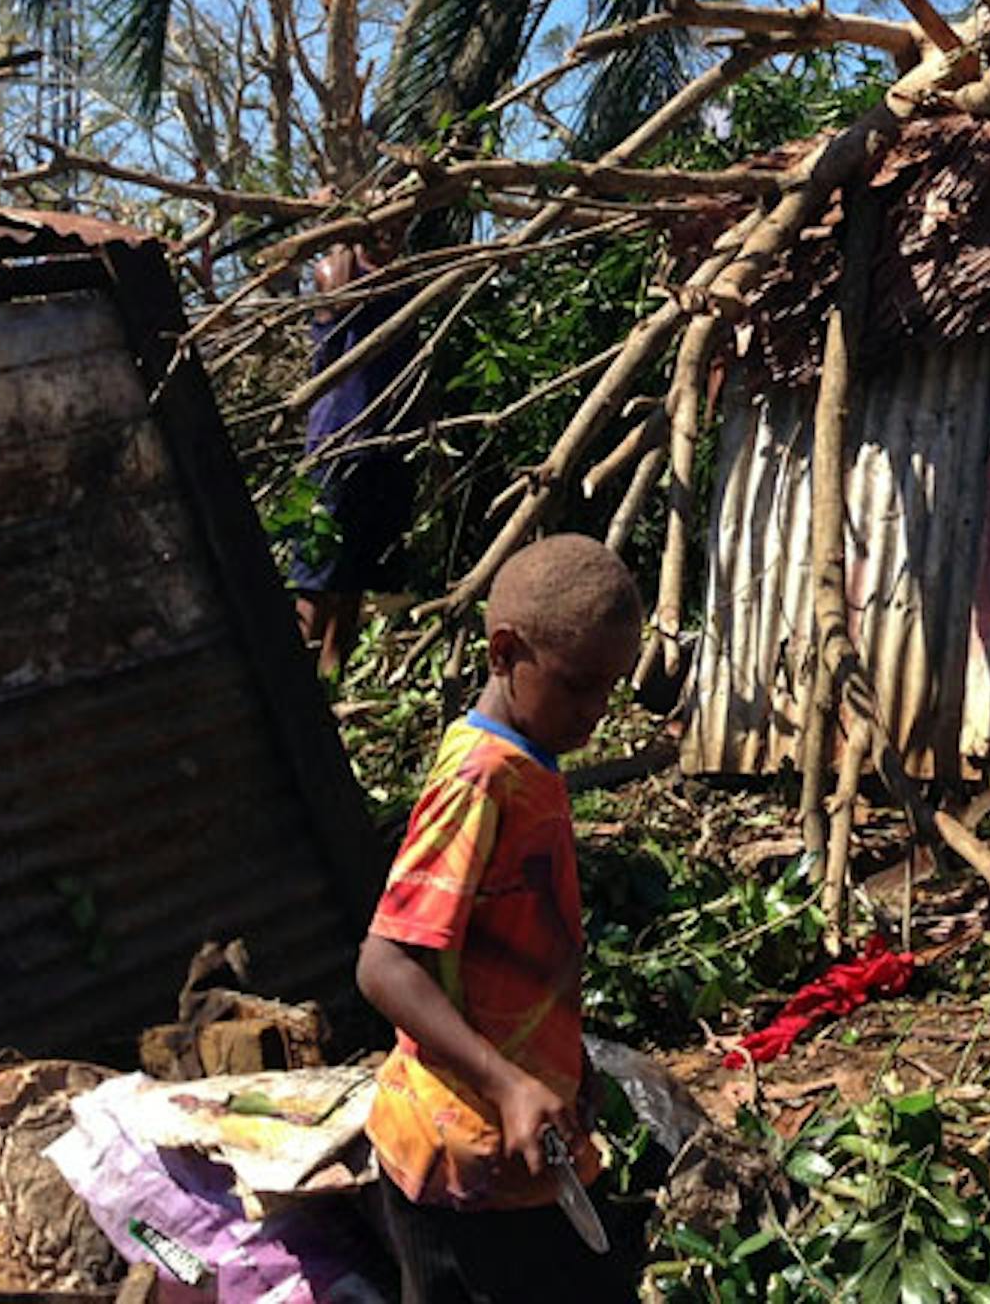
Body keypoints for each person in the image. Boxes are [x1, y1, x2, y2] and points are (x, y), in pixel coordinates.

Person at [357, 533, 642, 1304]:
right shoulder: (479, 781)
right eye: (580, 686)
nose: (597, 713)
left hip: (516, 1148)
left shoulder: (529, 764)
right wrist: (508, 1084)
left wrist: (561, 1067)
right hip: (461, 1159)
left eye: (611, 688)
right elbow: (384, 965)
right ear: (505, 650)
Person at [287, 238, 420, 676]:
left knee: (356, 580)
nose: (394, 229)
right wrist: (336, 231)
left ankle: (332, 680)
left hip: (390, 444)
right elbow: (338, 295)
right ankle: (296, 679)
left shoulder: (406, 281)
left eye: (402, 220)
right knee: (317, 575)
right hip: (337, 442)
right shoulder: (336, 270)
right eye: (384, 218)